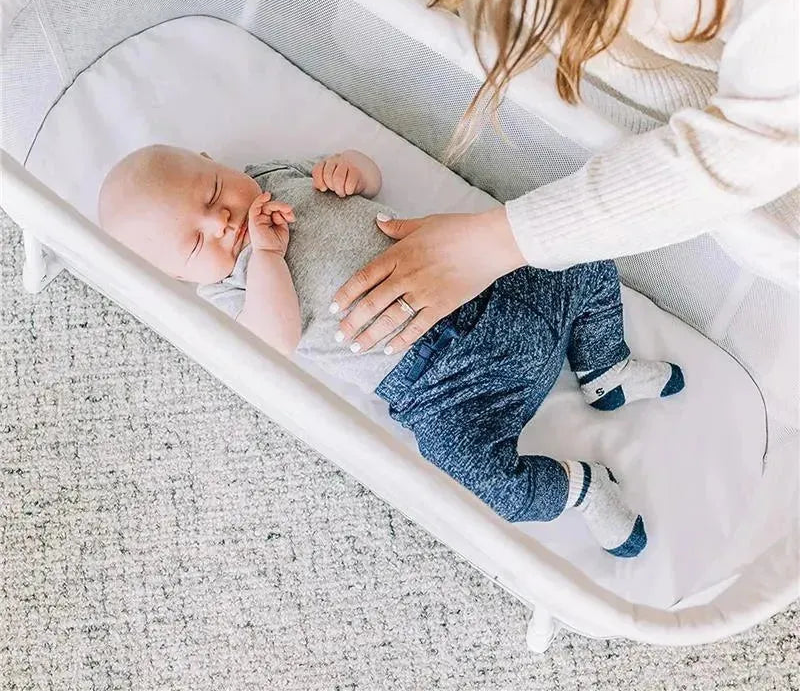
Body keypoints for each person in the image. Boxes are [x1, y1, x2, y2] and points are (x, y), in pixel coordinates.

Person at [97, 144, 687, 557]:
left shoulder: (275, 176)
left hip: (485, 284)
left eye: (212, 191)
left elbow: (368, 179)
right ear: (180, 277)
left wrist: (349, 171)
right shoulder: (231, 288)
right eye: (195, 242)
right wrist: (268, 256)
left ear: (212, 160)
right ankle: (583, 488)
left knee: (579, 252)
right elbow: (273, 342)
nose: (223, 220)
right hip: (444, 389)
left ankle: (605, 367)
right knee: (476, 476)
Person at [331, 0, 799, 356]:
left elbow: (754, 145)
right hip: (531, 41)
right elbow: (367, 34)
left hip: (707, 123)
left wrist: (498, 243)